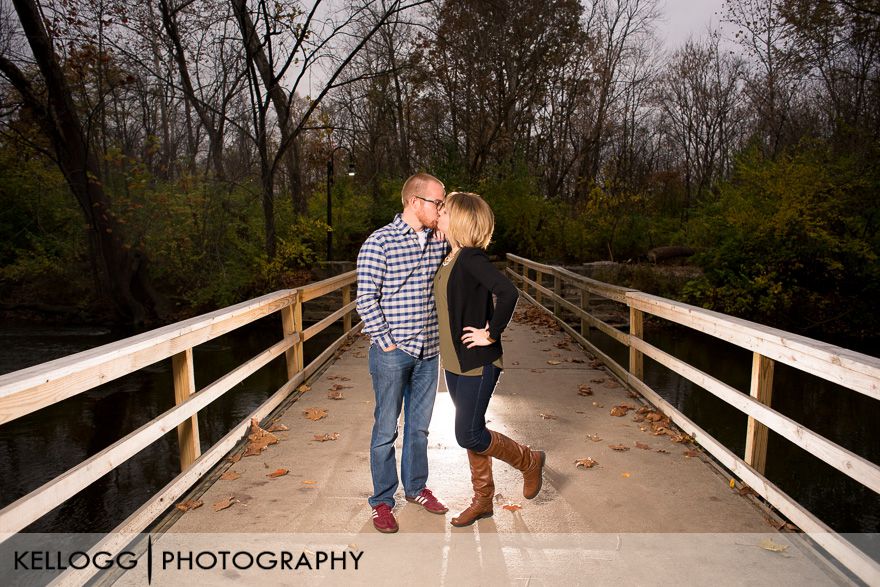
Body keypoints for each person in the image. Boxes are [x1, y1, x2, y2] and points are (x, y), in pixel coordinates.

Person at [433, 192, 545, 527]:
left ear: (460, 219)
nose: (439, 214)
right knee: (473, 429)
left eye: (444, 210)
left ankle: (529, 460)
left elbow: (509, 292)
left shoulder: (469, 257)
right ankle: (483, 501)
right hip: (454, 363)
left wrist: (491, 333)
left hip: (477, 363)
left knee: (468, 435)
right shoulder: (451, 257)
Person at [355, 172, 450, 533]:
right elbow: (366, 299)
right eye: (437, 203)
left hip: (429, 351)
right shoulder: (379, 243)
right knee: (384, 430)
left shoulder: (437, 241)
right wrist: (387, 341)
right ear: (414, 201)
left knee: (419, 428)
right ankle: (382, 501)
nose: (441, 209)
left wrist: (450, 234)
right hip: (393, 353)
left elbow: (470, 244)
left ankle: (416, 488)